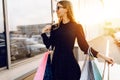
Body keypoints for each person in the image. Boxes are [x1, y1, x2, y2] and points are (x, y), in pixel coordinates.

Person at [41, 0, 114, 80]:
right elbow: (49, 45)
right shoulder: (55, 27)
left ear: (66, 9)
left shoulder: (76, 27)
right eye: (56, 8)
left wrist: (103, 56)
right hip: (56, 66)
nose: (56, 10)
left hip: (70, 64)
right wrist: (43, 33)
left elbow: (84, 46)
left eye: (58, 7)